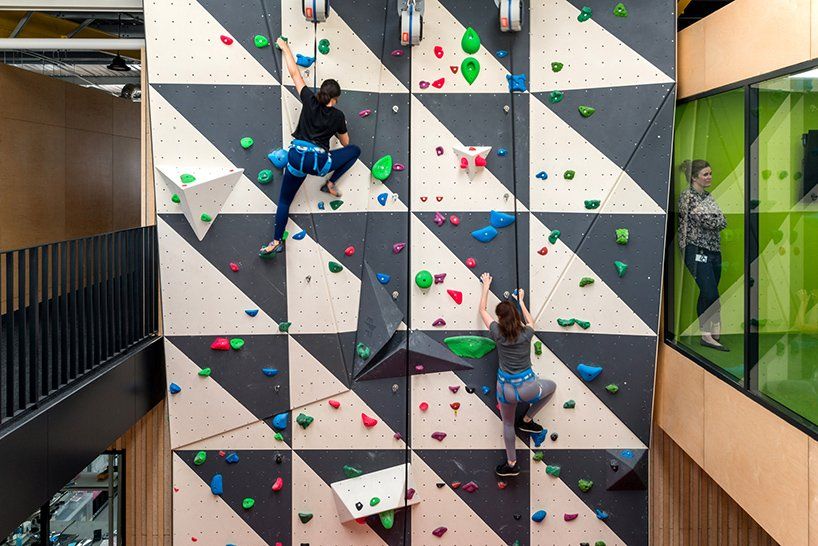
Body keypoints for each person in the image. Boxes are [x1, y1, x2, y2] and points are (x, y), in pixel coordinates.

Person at [260, 37, 361, 256]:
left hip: (297, 158)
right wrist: (340, 125)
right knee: (355, 152)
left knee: (285, 200)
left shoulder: (309, 99)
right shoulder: (338, 115)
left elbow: (295, 73)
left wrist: (285, 46)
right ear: (335, 99)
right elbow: (346, 144)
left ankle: (276, 241)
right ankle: (331, 183)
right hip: (319, 163)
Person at [478, 273, 557, 477]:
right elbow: (531, 322)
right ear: (516, 317)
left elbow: (482, 310)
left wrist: (486, 285)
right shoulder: (526, 334)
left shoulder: (497, 332)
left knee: (507, 424)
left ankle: (512, 464)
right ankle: (528, 419)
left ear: (501, 319)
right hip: (529, 388)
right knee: (551, 388)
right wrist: (521, 301)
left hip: (506, 390)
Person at [677, 159, 729, 351]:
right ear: (694, 177)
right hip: (695, 249)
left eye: (710, 173)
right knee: (709, 291)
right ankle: (706, 335)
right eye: (705, 174)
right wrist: (715, 219)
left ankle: (709, 331)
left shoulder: (708, 196)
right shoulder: (687, 197)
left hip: (713, 250)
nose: (709, 177)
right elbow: (707, 220)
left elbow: (722, 221)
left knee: (711, 292)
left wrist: (715, 219)